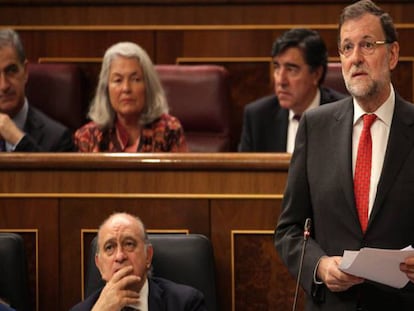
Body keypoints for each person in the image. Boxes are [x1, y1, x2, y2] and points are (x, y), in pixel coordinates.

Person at [274, 0, 414, 310]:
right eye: (347, 48)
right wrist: (320, 266)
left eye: (367, 45)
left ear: (392, 54)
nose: (355, 58)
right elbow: (289, 230)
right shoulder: (315, 126)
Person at [238, 28, 346, 153]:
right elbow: (245, 172)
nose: (281, 81)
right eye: (277, 68)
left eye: (291, 69)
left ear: (316, 74)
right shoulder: (258, 117)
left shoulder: (344, 116)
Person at [70, 212, 206, 311]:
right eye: (109, 247)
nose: (120, 256)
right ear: (99, 265)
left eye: (129, 244)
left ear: (148, 256)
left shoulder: (186, 304)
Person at [74, 42, 188, 152]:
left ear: (147, 86)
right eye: (118, 80)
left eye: (135, 79)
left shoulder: (169, 130)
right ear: (106, 88)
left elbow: (181, 172)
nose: (126, 88)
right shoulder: (88, 136)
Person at [0, 28, 74, 152]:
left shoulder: (58, 139)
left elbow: (51, 172)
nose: (3, 85)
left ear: (25, 72)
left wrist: (19, 140)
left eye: (11, 71)